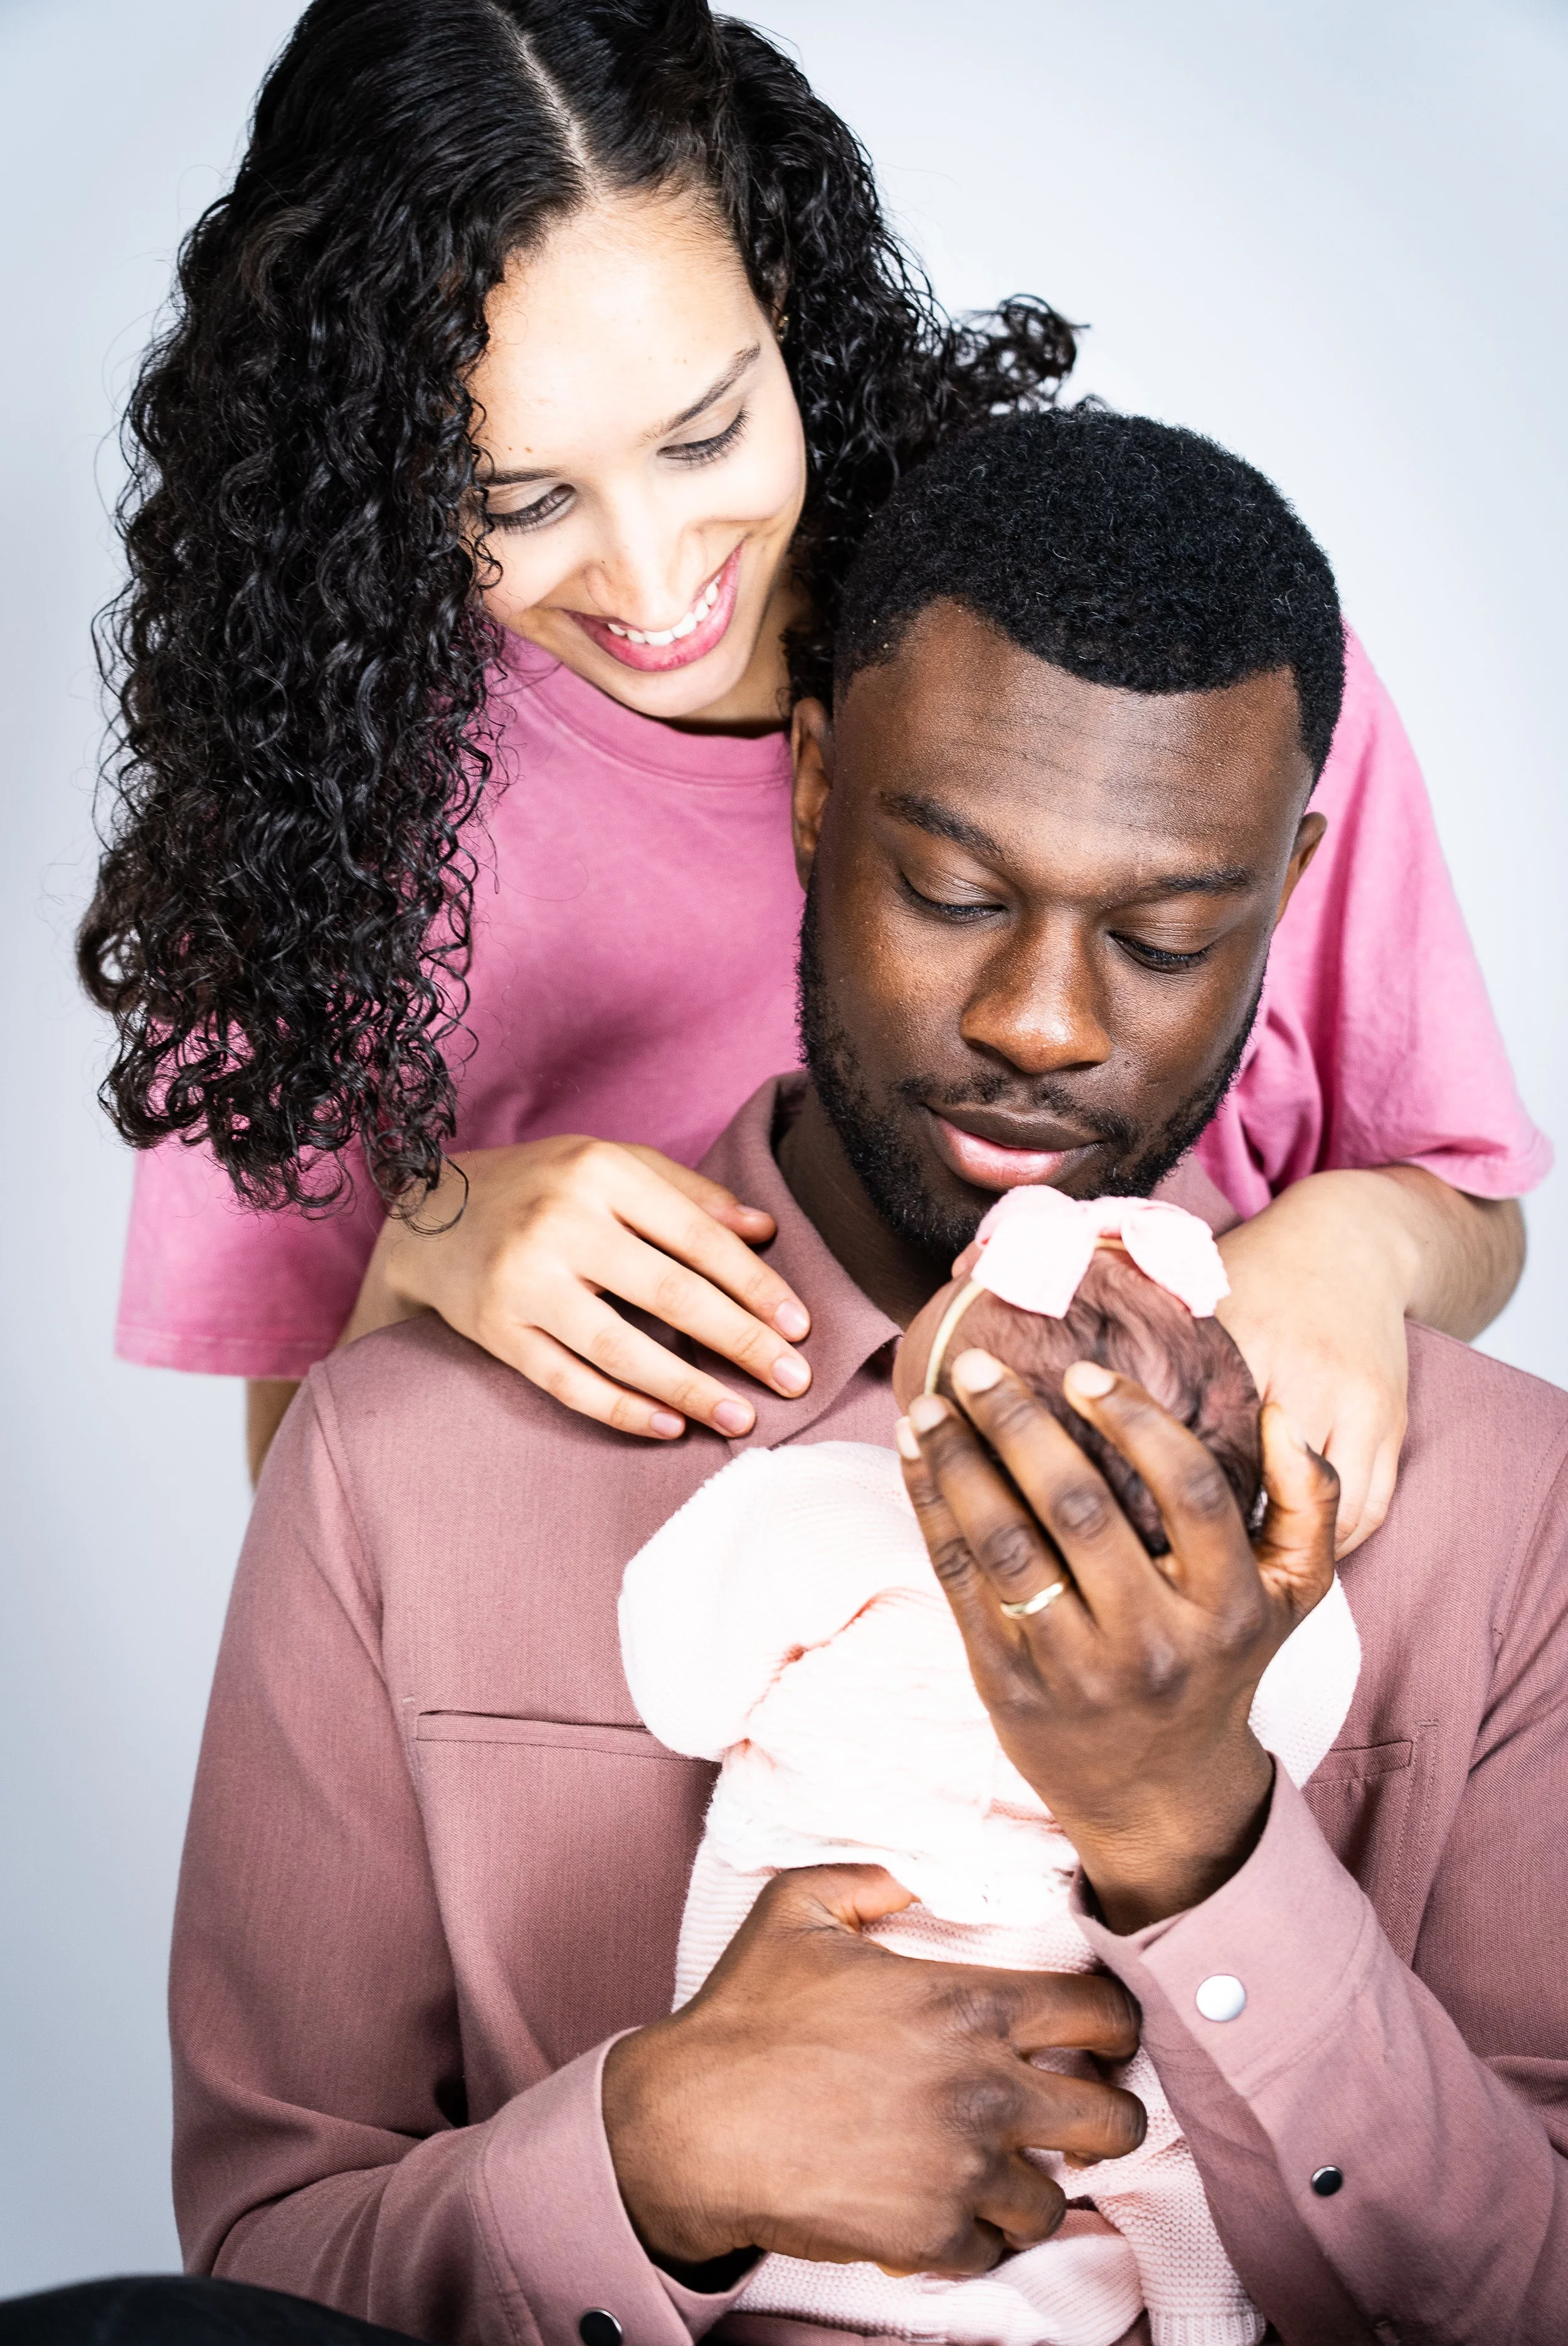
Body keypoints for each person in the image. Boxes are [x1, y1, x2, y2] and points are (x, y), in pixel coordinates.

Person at [155, 413, 1568, 2346]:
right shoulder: (403, 1463)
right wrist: (647, 2154)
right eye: (956, 894)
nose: (1041, 1023)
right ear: (816, 787)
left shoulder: (1497, 1502)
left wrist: (1199, 1836)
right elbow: (249, 2275)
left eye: (1162, 934)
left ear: (1288, 882)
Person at [82, 0, 1542, 1554]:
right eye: (517, 500)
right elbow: (310, 1519)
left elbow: (1469, 1208)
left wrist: (1359, 1245)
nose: (655, 582)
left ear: (779, 294)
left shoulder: (1177, 685)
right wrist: (423, 1250)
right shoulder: (304, 804)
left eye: (702, 437)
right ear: (372, 462)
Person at [619, 1195, 1311, 2346]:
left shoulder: (820, 1507)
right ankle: (1203, 2323)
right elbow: (1290, 1731)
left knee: (781, 2102)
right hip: (1067, 1943)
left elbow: (682, 1688)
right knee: (1163, 2144)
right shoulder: (1237, 1605)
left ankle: (816, 2301)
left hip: (820, 1908)